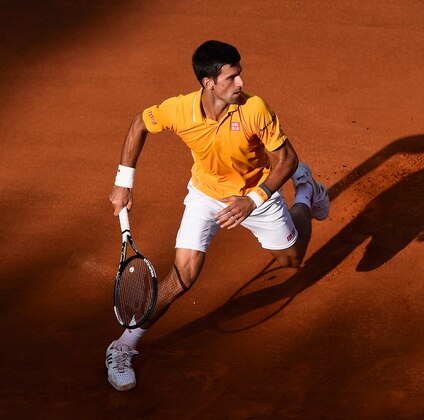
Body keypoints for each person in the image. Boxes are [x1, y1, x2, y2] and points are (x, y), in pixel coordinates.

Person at [105, 40, 330, 391]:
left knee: (292, 259)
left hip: (256, 193)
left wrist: (253, 201)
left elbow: (287, 159)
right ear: (209, 82)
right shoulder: (179, 110)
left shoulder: (255, 108)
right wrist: (124, 183)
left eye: (240, 75)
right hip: (206, 196)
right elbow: (139, 124)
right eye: (232, 77)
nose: (241, 83)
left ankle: (306, 191)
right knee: (182, 276)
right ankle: (123, 345)